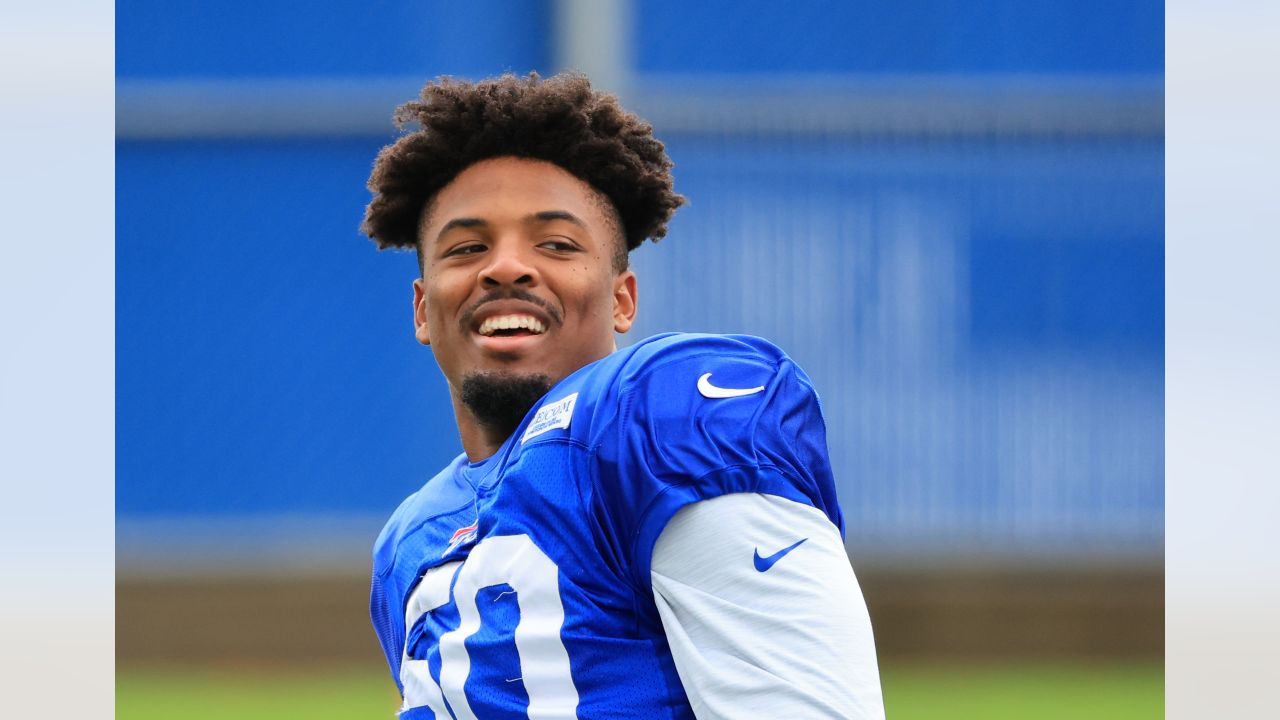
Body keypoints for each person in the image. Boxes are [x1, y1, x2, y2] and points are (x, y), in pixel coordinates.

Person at [361, 72, 884, 719]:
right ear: (421, 308)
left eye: (555, 244)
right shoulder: (409, 541)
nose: (505, 267)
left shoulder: (660, 424)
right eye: (468, 248)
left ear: (621, 299)